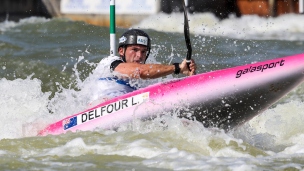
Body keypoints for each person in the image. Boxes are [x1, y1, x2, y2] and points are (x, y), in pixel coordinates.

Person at [97, 28, 197, 96]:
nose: (139, 56)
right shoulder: (108, 62)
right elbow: (139, 71)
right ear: (121, 51)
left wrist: (190, 78)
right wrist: (177, 68)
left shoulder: (147, 78)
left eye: (143, 51)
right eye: (134, 50)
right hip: (97, 112)